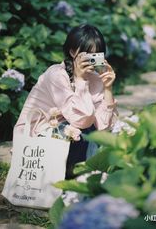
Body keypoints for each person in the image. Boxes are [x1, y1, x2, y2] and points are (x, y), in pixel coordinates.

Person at [14, 23, 117, 178]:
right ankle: (75, 174)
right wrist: (81, 81)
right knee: (80, 131)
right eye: (88, 54)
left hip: (71, 129)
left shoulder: (96, 78)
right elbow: (81, 121)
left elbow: (104, 126)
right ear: (72, 52)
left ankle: (86, 173)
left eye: (97, 55)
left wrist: (108, 89)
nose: (92, 61)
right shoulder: (57, 75)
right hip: (42, 130)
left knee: (104, 133)